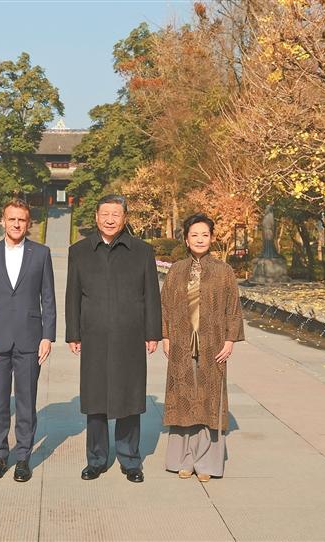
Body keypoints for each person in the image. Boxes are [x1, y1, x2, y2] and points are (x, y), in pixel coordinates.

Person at [65, 194, 162, 483]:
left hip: (130, 335)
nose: (110, 219)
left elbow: (151, 295)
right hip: (93, 335)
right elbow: (73, 295)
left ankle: (130, 459)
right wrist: (73, 332)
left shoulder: (142, 251)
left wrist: (152, 332)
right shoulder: (79, 251)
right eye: (105, 214)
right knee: (95, 399)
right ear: (96, 216)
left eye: (116, 214)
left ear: (125, 218)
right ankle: (96, 459)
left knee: (129, 397)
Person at [0, 199, 56, 483]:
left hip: (30, 338)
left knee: (26, 402)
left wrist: (47, 336)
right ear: (3, 221)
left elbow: (48, 298)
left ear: (28, 223)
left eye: (21, 220)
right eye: (12, 219)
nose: (16, 224)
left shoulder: (41, 253)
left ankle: (22, 458)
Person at [160, 213, 244, 482]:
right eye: (194, 235)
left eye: (204, 235)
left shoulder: (223, 271)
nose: (199, 239)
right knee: (183, 398)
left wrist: (230, 340)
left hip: (213, 343)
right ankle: (184, 459)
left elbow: (233, 308)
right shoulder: (176, 270)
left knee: (210, 399)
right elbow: (165, 306)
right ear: (186, 239)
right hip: (181, 342)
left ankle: (206, 462)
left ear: (211, 238)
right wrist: (166, 336)